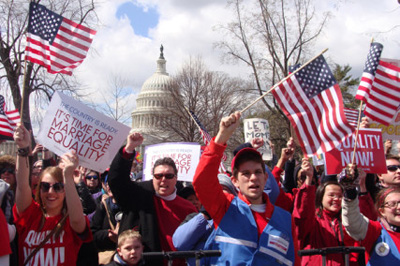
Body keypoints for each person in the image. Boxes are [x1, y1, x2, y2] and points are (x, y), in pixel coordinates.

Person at [193, 111, 298, 265]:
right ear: (235, 181)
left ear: (265, 177)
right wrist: (222, 137)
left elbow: (294, 261)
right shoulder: (225, 207)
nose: (253, 178)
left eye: (257, 172)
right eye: (246, 174)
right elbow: (202, 181)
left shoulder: (285, 219)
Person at [107, 132, 197, 265]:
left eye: (169, 176)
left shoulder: (188, 207)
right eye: (158, 176)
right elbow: (116, 181)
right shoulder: (139, 197)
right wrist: (129, 148)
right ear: (152, 178)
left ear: (176, 178)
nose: (163, 180)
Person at [13, 124, 92, 265]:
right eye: (45, 186)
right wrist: (23, 149)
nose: (51, 192)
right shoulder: (30, 214)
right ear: (38, 189)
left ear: (65, 189)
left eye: (58, 187)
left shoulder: (70, 219)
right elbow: (22, 185)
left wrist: (67, 176)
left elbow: (78, 221)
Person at [292, 159, 360, 265]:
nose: (337, 199)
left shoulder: (347, 220)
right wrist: (309, 179)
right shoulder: (313, 220)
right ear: (321, 197)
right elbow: (302, 215)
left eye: (340, 196)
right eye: (331, 195)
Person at [342, 169, 400, 264]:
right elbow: (353, 221)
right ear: (382, 212)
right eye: (393, 204)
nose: (399, 207)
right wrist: (350, 193)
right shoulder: (375, 230)